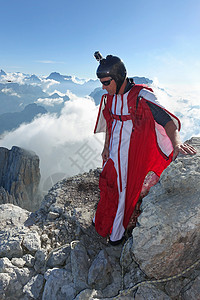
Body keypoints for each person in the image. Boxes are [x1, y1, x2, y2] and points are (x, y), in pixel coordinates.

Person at [93, 52, 197, 246]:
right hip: (114, 153)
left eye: (106, 82)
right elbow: (110, 123)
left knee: (124, 191)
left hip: (132, 155)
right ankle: (103, 220)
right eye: (102, 83)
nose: (103, 87)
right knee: (108, 184)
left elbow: (166, 121)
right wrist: (106, 147)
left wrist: (176, 144)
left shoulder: (142, 96)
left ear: (118, 78)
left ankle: (116, 234)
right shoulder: (110, 97)